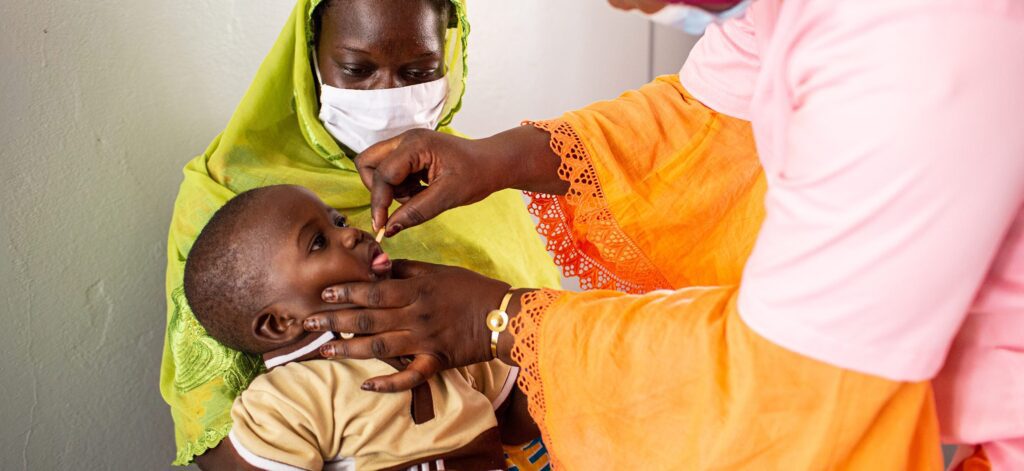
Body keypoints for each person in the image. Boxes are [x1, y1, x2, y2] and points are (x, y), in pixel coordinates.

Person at [297, 0, 1024, 469]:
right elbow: (704, 129)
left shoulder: (911, 45)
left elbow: (783, 386)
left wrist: (501, 321)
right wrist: (495, 160)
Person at [161, 0, 560, 467]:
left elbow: (542, 373)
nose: (387, 91)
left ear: (449, 55)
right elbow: (220, 435)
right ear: (309, 55)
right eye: (357, 69)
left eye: (419, 72)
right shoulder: (230, 196)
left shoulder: (478, 179)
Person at [182, 185, 538, 470]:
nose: (352, 234)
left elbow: (527, 412)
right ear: (279, 323)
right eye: (319, 242)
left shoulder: (437, 332)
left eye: (338, 223)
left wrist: (494, 313)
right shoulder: (285, 399)